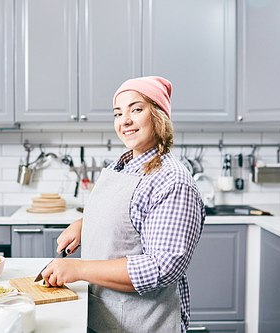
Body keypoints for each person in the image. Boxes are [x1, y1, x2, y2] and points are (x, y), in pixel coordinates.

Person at [41, 76, 206, 332]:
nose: (124, 121)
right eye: (118, 113)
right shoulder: (123, 165)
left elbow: (161, 267)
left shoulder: (172, 181)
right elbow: (128, 217)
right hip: (104, 314)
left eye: (136, 109)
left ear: (159, 115)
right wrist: (83, 224)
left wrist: (78, 269)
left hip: (143, 322)